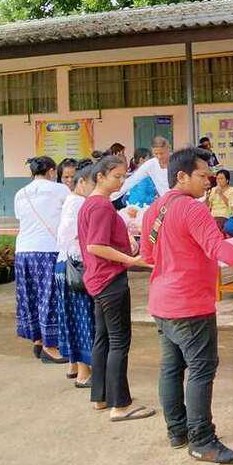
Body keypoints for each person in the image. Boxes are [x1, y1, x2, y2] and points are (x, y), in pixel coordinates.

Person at [141, 147, 233, 463]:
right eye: (203, 175)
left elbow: (147, 256)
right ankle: (202, 440)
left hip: (162, 303)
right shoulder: (192, 209)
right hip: (189, 305)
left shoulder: (154, 209)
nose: (208, 181)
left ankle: (177, 432)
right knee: (201, 370)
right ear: (181, 176)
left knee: (171, 368)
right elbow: (216, 246)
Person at [78, 154, 155, 422]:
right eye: (116, 176)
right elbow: (95, 245)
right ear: (100, 176)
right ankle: (119, 405)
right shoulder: (100, 206)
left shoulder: (92, 204)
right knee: (119, 341)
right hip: (109, 279)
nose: (121, 181)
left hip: (98, 279)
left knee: (104, 339)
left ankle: (101, 397)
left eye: (124, 176)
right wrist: (131, 260)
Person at [14, 156, 70, 363]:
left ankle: (38, 341)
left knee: (30, 296)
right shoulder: (60, 190)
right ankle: (50, 346)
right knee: (50, 297)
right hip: (48, 250)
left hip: (23, 251)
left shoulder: (20, 193)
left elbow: (21, 218)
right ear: (52, 171)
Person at [55, 159, 96, 387]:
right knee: (82, 319)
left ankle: (74, 366)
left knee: (72, 318)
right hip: (75, 268)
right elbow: (69, 239)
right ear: (83, 182)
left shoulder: (74, 201)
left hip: (65, 266)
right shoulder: (78, 203)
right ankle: (84, 373)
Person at [118, 136, 171, 205]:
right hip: (165, 203)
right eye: (156, 154)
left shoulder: (177, 162)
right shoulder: (151, 164)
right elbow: (132, 181)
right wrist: (108, 195)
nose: (159, 157)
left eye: (162, 153)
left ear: (168, 149)